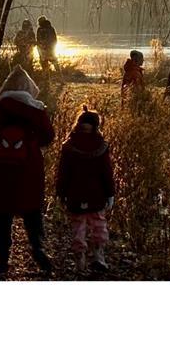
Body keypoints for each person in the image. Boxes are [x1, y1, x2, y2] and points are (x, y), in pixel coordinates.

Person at [0, 65, 55, 278]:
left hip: (0, 170)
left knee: (1, 214)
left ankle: (3, 258)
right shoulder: (37, 110)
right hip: (29, 169)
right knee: (32, 210)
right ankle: (38, 248)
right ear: (29, 88)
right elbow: (48, 137)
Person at [55, 105, 115, 272]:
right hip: (97, 194)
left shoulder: (69, 145)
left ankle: (79, 259)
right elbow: (106, 172)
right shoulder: (101, 145)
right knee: (99, 225)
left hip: (75, 194)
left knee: (78, 227)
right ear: (96, 125)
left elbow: (63, 173)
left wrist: (61, 193)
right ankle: (98, 256)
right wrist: (110, 194)